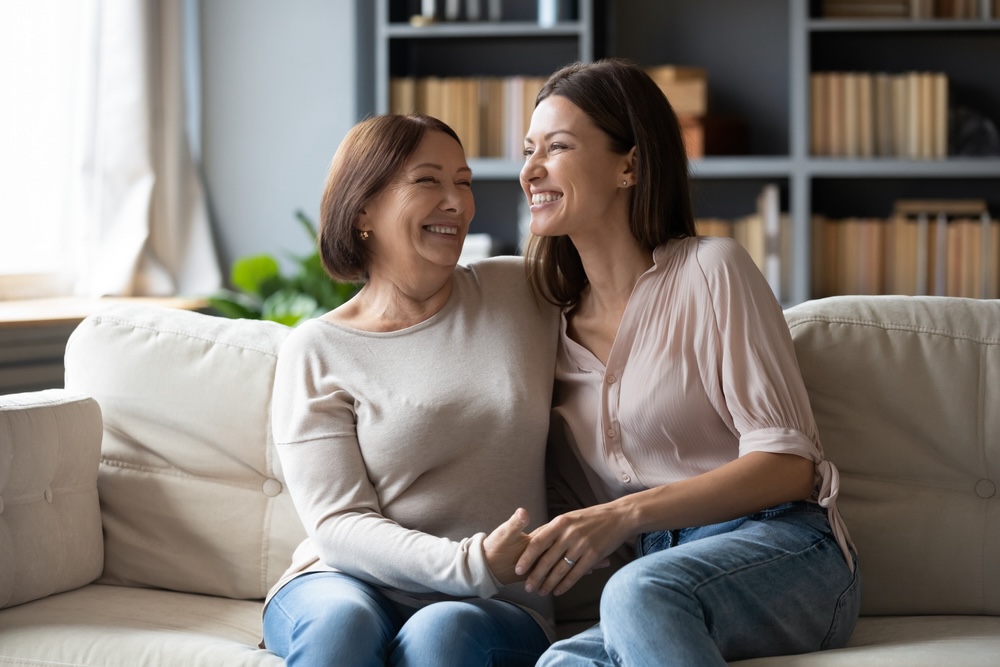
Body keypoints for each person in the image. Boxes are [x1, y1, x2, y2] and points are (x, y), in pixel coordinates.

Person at [514, 59, 862, 666]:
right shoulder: (546, 323)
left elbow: (788, 468)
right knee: (560, 663)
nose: (530, 170)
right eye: (527, 150)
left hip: (781, 546)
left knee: (637, 592)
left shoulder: (713, 270)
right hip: (660, 577)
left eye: (558, 146)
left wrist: (622, 515)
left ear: (630, 164)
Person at [261, 113, 560, 666]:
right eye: (428, 181)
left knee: (442, 634)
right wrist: (470, 561)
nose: (457, 203)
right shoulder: (317, 350)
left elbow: (622, 272)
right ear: (363, 210)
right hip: (344, 582)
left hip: (494, 599)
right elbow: (339, 524)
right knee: (339, 626)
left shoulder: (521, 291)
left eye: (464, 182)